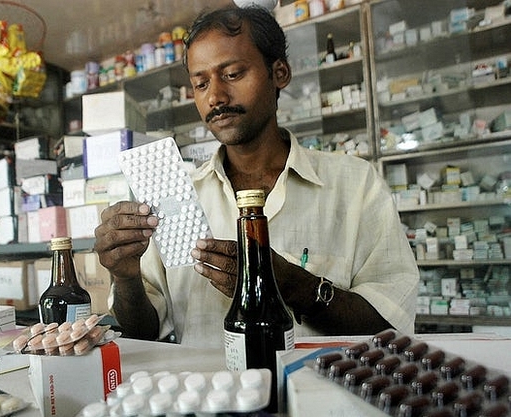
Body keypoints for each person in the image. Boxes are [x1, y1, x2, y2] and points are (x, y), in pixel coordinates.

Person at [94, 5, 419, 348]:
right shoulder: (175, 200)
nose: (215, 97)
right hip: (208, 396)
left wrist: (294, 286)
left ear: (279, 73)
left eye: (233, 74)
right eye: (200, 83)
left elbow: (391, 323)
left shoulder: (356, 185)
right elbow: (142, 333)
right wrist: (125, 275)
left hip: (321, 395)